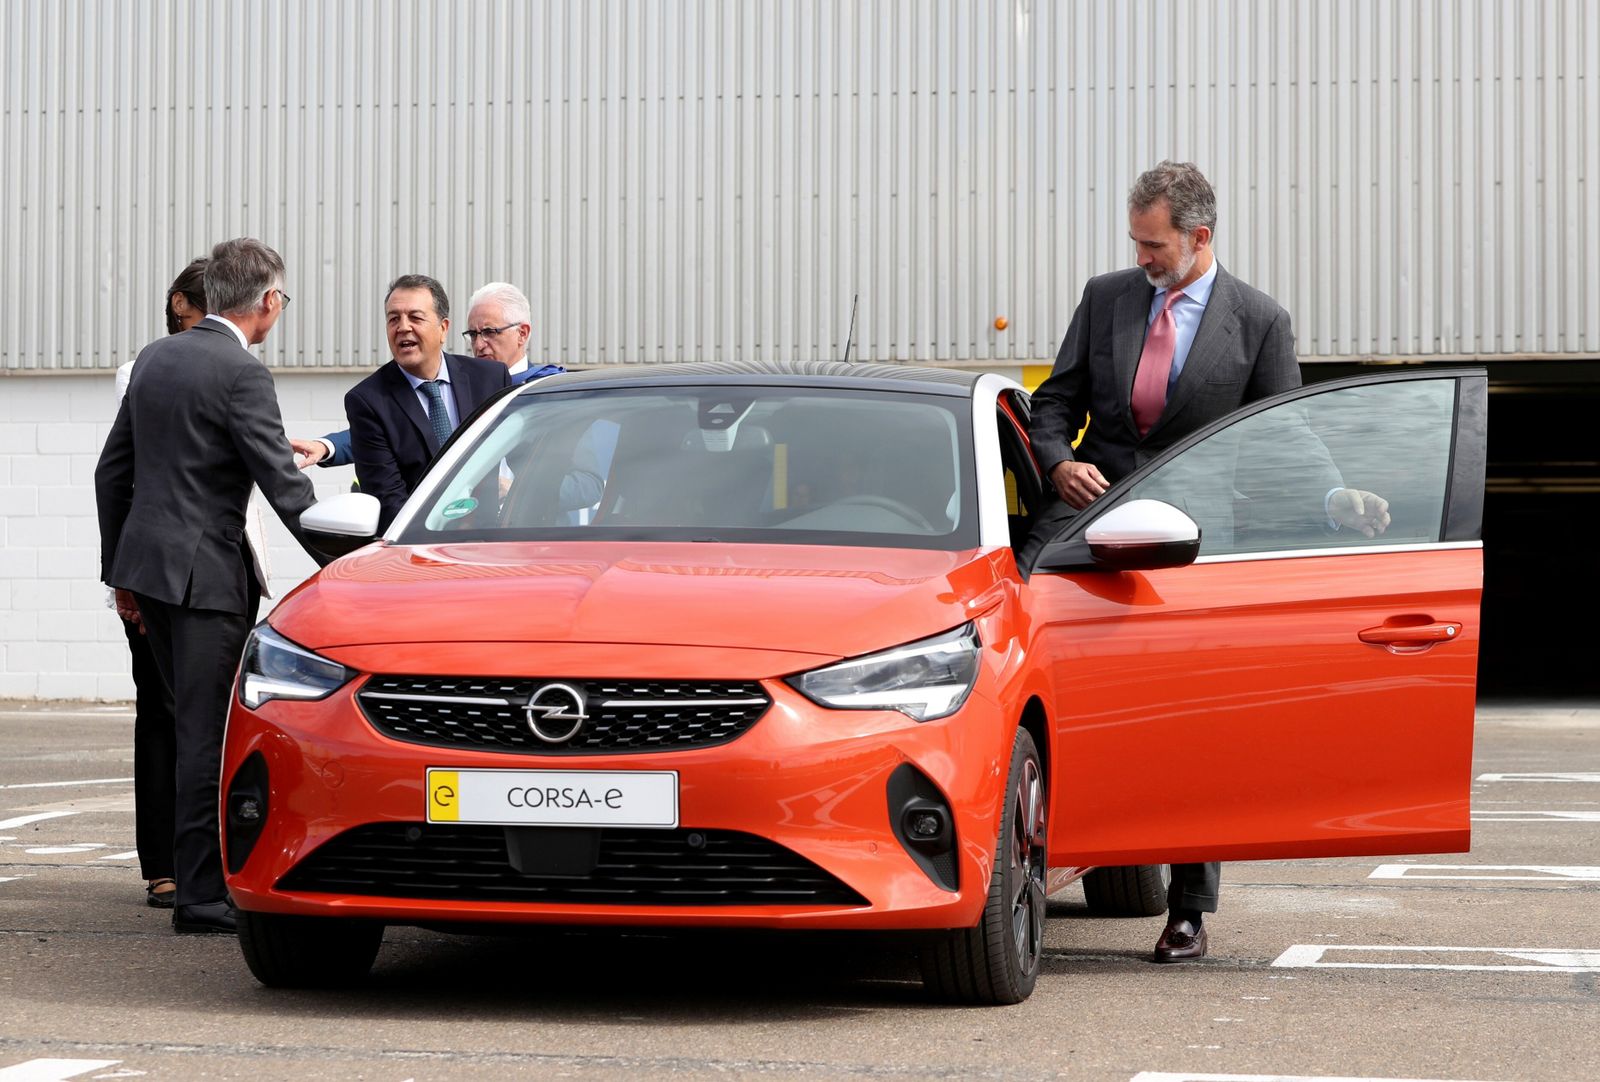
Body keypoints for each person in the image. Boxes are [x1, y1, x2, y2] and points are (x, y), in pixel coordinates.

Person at [1027, 161, 1387, 964]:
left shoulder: (1260, 321)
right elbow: (1055, 402)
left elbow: (1282, 433)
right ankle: (1031, 859)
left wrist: (1334, 499)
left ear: (1199, 237)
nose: (1142, 257)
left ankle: (1188, 906)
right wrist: (1057, 464)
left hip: (1193, 539)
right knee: (1039, 679)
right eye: (1136, 243)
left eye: (1153, 245)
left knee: (1191, 717)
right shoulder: (1105, 296)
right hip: (1086, 523)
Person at [96, 238, 326, 935]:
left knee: (184, 726)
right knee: (206, 735)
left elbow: (112, 473)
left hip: (151, 576)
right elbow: (284, 486)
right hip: (205, 580)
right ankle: (200, 894)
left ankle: (197, 876)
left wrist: (120, 574)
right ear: (268, 303)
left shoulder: (156, 358)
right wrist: (351, 563)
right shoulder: (242, 371)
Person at [106, 258, 208, 909]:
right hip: (152, 570)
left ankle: (204, 859)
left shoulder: (235, 366)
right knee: (163, 711)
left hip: (217, 569)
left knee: (203, 716)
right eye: (197, 311)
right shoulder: (141, 370)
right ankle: (163, 863)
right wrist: (122, 578)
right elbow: (120, 475)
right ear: (176, 305)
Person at [291, 281, 563, 470]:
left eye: (490, 332)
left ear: (522, 333)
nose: (479, 344)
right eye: (473, 334)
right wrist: (329, 446)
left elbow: (575, 475)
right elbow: (403, 430)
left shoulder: (551, 393)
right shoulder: (465, 382)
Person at [341, 274, 512, 530]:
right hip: (419, 547)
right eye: (393, 319)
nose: (403, 327)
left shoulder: (490, 380)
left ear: (443, 328)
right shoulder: (368, 401)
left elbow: (527, 457)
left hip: (490, 541)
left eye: (415, 317)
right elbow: (388, 498)